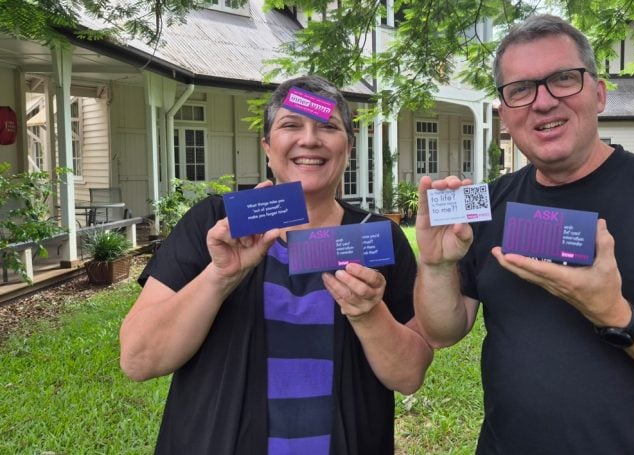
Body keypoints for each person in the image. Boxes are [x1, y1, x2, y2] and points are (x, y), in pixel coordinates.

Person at [414, 15, 634, 454]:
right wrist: (436, 264)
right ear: (504, 115)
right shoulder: (486, 204)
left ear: (598, 94)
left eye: (563, 79)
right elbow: (444, 330)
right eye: (520, 89)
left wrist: (616, 314)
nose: (542, 102)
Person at [119, 75, 433, 454]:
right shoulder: (216, 225)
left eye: (328, 127)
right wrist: (219, 277)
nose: (309, 139)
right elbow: (138, 359)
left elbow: (409, 374)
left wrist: (369, 314)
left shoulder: (377, 237)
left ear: (348, 148)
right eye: (291, 125)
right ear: (267, 147)